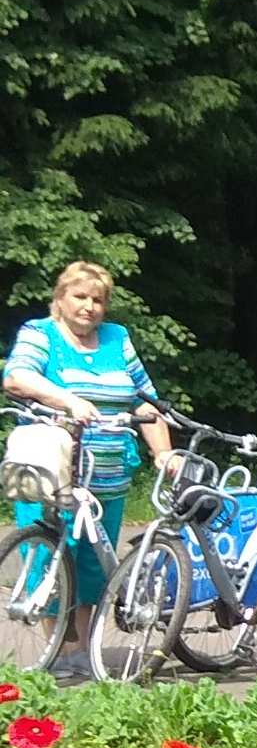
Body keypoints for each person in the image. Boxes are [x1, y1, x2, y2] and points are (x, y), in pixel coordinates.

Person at [2, 261, 176, 677]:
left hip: (109, 473)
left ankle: (84, 651)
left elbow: (145, 401)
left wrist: (163, 454)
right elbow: (16, 377)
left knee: (95, 565)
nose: (89, 306)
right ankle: (59, 650)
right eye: (80, 296)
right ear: (60, 299)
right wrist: (68, 400)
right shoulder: (39, 333)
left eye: (97, 299)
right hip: (54, 471)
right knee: (51, 557)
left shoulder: (118, 338)